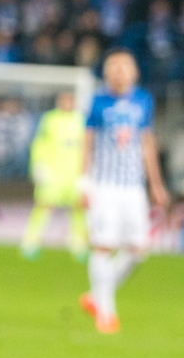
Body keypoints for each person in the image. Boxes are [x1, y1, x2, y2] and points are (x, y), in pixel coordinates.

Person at [78, 50, 169, 334]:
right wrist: (83, 181)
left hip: (133, 187)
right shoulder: (97, 102)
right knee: (103, 245)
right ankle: (106, 313)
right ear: (106, 73)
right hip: (104, 185)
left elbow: (146, 143)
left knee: (138, 250)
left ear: (134, 73)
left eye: (124, 66)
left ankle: (95, 297)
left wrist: (155, 184)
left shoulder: (143, 101)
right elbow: (87, 142)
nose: (119, 71)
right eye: (113, 67)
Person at [21, 90, 88, 260]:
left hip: (74, 173)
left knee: (79, 208)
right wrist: (38, 165)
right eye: (64, 100)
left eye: (70, 100)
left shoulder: (81, 120)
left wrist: (87, 173)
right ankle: (31, 241)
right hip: (53, 172)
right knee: (44, 205)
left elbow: (88, 147)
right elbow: (39, 143)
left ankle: (78, 244)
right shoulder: (49, 119)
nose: (67, 103)